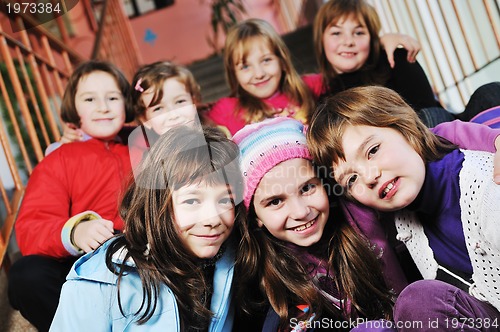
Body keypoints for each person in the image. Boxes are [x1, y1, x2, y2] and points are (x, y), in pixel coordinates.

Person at [307, 86, 500, 330]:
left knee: (419, 300)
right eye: (351, 179)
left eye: (373, 151)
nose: (369, 176)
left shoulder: (488, 189)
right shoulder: (401, 220)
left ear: (405, 128)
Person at [50, 125, 245, 331]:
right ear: (157, 203)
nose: (212, 219)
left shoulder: (231, 259)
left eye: (225, 200)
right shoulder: (102, 280)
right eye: (192, 202)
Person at [233, 118, 395, 331]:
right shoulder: (264, 281)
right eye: (275, 202)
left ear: (324, 184)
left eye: (307, 188)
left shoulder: (361, 216)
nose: (301, 212)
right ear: (256, 217)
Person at [7, 60, 134, 332]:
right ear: (74, 109)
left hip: (139, 258)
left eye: (112, 97)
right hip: (82, 267)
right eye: (89, 99)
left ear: (126, 103)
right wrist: (75, 232)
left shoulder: (143, 144)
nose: (103, 106)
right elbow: (32, 227)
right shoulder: (59, 158)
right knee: (25, 275)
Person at [206, 18, 421, 136]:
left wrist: (383, 41)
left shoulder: (309, 85)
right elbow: (193, 121)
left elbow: (348, 69)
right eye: (245, 67)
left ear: (282, 60)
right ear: (233, 73)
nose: (259, 73)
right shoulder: (226, 108)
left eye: (266, 60)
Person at [311, 0, 500, 127]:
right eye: (336, 33)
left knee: (488, 93)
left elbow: (433, 115)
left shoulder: (395, 59)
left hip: (439, 131)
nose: (348, 41)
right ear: (321, 40)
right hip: (395, 156)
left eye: (359, 33)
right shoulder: (322, 96)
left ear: (372, 38)